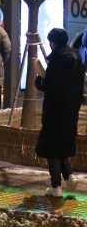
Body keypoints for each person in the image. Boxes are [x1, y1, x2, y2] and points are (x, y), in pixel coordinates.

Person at [35, 28, 83, 198]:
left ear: (53, 43)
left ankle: (56, 187)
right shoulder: (77, 60)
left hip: (55, 109)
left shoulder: (56, 61)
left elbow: (50, 86)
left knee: (52, 146)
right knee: (62, 143)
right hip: (71, 109)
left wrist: (40, 79)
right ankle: (69, 177)